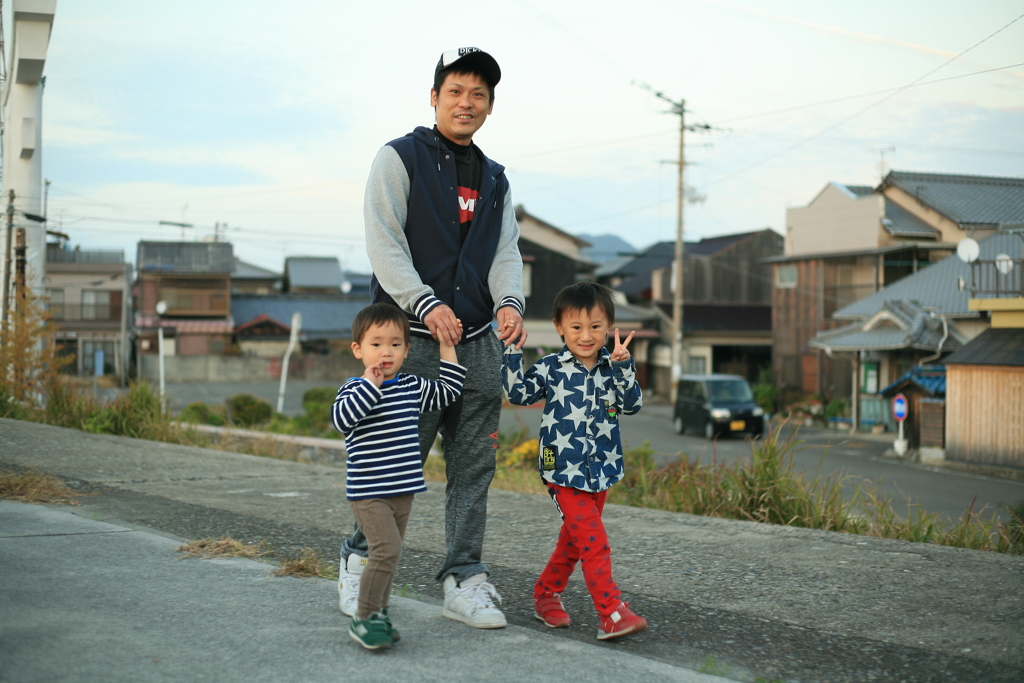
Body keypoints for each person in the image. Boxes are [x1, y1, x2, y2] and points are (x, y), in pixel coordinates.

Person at [339, 46, 527, 630]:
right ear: (435, 96)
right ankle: (358, 561)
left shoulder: (495, 179)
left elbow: (504, 251)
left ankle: (463, 577)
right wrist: (425, 301)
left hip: (476, 343)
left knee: (474, 468)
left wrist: (510, 303)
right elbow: (383, 240)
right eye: (456, 91)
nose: (466, 102)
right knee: (395, 462)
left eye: (479, 94)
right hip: (408, 342)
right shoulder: (401, 157)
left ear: (490, 106)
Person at [501, 282, 648, 640]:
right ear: (559, 327)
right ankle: (611, 612)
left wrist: (625, 368)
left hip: (602, 470)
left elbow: (632, 406)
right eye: (576, 327)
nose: (586, 336)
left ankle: (545, 595)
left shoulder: (613, 369)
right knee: (594, 541)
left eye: (596, 327)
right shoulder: (552, 367)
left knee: (574, 540)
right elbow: (519, 394)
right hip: (561, 470)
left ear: (609, 327)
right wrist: (510, 354)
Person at [331, 303, 467, 650]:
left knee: (391, 555)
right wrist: (370, 385)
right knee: (385, 550)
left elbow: (448, 391)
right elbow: (342, 420)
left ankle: (379, 612)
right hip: (369, 492)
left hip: (403, 490)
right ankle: (364, 617)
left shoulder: (409, 386)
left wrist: (447, 346)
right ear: (358, 350)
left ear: (407, 351)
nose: (385, 352)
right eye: (376, 344)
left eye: (395, 344)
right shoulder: (354, 388)